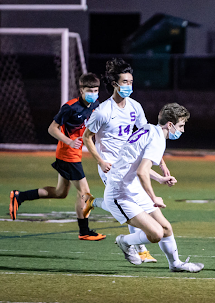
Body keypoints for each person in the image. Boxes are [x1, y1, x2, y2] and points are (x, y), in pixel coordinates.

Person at [82, 58, 170, 262]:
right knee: (128, 201)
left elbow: (148, 134)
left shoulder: (135, 107)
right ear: (114, 84)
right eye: (125, 82)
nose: (129, 86)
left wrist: (162, 162)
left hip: (130, 162)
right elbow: (87, 137)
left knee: (132, 201)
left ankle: (93, 201)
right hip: (111, 167)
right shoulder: (103, 111)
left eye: (131, 82)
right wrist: (100, 161)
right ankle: (139, 249)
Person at [107, 102, 203, 272]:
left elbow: (136, 165)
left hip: (132, 186)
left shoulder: (149, 129)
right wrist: (154, 198)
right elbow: (142, 172)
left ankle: (176, 264)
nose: (182, 130)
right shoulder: (158, 139)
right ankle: (125, 241)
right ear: (170, 124)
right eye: (181, 126)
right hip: (119, 193)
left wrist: (160, 178)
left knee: (166, 228)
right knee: (156, 234)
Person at [9, 73, 106, 241]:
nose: (93, 93)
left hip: (74, 154)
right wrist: (69, 141)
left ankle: (20, 196)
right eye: (90, 90)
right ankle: (84, 231)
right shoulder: (70, 107)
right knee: (85, 193)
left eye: (96, 90)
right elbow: (52, 129)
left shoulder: (95, 105)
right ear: (81, 90)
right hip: (67, 154)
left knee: (60, 192)